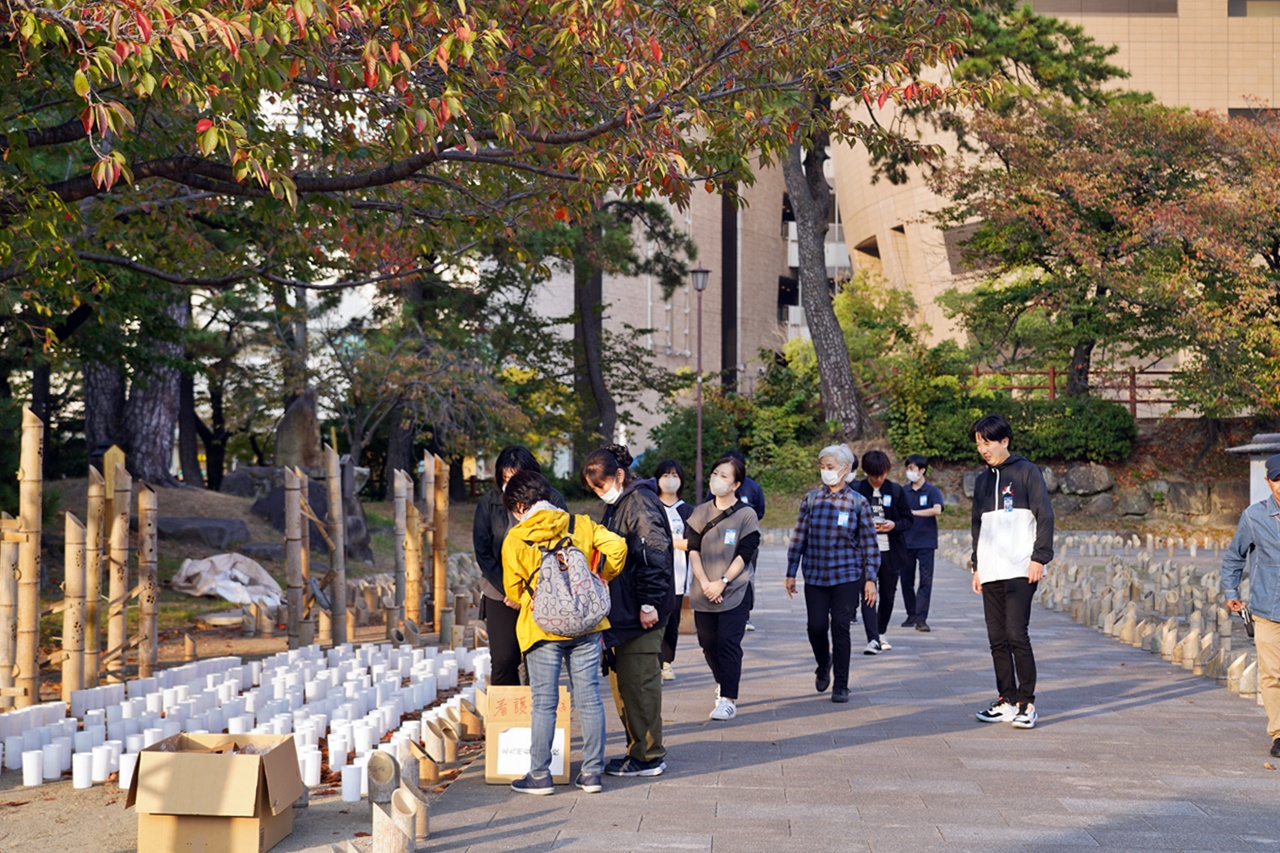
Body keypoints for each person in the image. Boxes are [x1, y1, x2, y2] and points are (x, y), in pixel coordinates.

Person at [500, 471, 628, 795]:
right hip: (587, 624)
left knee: (544, 703)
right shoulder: (579, 523)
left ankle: (540, 775)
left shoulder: (516, 538)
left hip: (541, 628)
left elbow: (512, 590)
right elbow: (618, 546)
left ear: (519, 506)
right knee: (589, 700)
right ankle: (591, 774)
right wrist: (602, 576)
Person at [582, 444, 675, 777]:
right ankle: (638, 750)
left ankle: (649, 755)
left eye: (601, 485)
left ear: (618, 475)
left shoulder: (638, 502)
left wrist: (649, 602)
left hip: (641, 612)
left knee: (639, 685)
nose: (599, 492)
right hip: (626, 612)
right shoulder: (624, 501)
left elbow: (655, 554)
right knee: (626, 687)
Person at [970, 414, 1054, 730]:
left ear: (1004, 440)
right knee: (997, 637)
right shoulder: (981, 481)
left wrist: (1039, 557)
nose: (983, 449)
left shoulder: (1027, 472)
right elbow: (977, 526)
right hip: (990, 569)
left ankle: (1026, 702)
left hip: (1021, 566)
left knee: (1016, 633)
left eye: (987, 442)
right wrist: (977, 566)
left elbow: (1045, 515)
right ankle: (1005, 700)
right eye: (978, 443)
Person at [784, 444, 879, 704]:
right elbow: (799, 536)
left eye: (830, 467)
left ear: (845, 469)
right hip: (814, 574)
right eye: (822, 467)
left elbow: (870, 543)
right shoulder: (811, 499)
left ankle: (842, 684)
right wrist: (791, 571)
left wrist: (870, 578)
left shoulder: (858, 503)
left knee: (840, 627)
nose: (825, 472)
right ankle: (823, 662)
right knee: (815, 626)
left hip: (847, 575)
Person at [473, 446, 568, 686]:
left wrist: (527, 594)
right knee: (504, 658)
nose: (511, 484)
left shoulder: (553, 500)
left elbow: (561, 548)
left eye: (517, 477)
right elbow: (483, 552)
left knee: (539, 661)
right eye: (506, 478)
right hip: (500, 592)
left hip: (541, 593)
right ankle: (506, 719)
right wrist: (511, 590)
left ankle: (540, 718)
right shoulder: (489, 503)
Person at [686, 454, 760, 721]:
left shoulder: (746, 514)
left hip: (735, 589)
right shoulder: (700, 512)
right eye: (716, 473)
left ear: (736, 484)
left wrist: (723, 582)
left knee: (728, 643)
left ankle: (729, 698)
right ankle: (723, 681)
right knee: (708, 644)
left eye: (724, 476)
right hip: (703, 590)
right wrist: (706, 583)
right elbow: (692, 549)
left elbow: (745, 552)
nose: (717, 479)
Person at [1221, 452, 1280, 759]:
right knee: (1272, 673)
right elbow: (1234, 556)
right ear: (1268, 481)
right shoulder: (1254, 517)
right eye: (1277, 479)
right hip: (1268, 609)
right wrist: (1231, 590)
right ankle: (1279, 732)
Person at [853, 450, 913, 655]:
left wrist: (892, 524)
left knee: (888, 596)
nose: (878, 479)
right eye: (874, 475)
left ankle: (881, 632)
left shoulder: (896, 491)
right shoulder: (857, 490)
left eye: (882, 474)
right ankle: (872, 639)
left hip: (890, 551)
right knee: (868, 594)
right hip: (864, 552)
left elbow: (908, 520)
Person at [655, 460, 694, 682]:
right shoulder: (651, 506)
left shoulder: (687, 510)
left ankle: (667, 663)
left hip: (678, 576)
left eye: (675, 475)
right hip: (652, 575)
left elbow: (692, 543)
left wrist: (669, 541)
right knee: (654, 619)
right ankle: (654, 662)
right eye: (665, 475)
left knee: (672, 620)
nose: (670, 479)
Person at [902, 453, 945, 633]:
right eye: (908, 469)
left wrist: (914, 513)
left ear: (922, 470)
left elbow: (937, 510)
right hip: (905, 542)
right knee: (905, 581)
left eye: (913, 469)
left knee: (925, 581)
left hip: (926, 542)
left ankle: (921, 619)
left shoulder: (932, 491)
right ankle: (911, 614)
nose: (910, 472)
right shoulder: (903, 491)